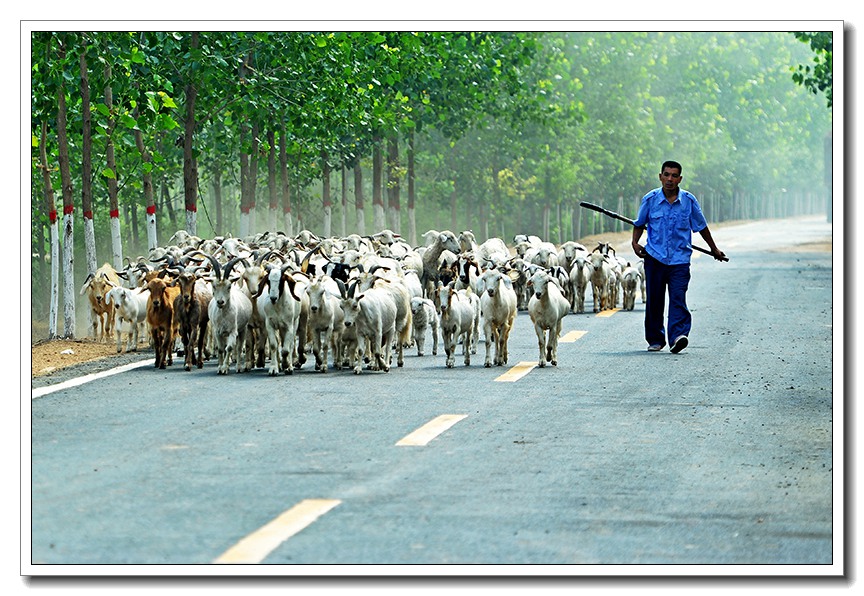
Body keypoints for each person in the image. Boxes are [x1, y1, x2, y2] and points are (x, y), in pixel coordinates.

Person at [631, 160, 725, 354]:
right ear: (660, 176)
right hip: (654, 258)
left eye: (674, 176)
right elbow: (639, 223)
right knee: (654, 301)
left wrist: (714, 249)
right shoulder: (650, 199)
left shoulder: (688, 201)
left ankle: (677, 336)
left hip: (679, 261)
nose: (670, 179)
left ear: (680, 179)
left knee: (677, 298)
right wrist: (634, 242)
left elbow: (701, 226)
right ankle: (656, 339)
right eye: (666, 175)